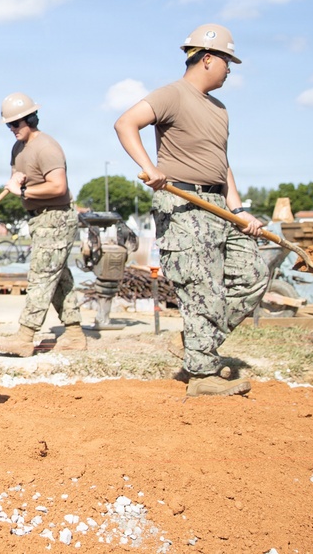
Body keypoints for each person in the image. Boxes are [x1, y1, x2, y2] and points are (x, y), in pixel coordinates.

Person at [114, 24, 268, 397]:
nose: (230, 69)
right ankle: (202, 375)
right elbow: (125, 123)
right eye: (227, 61)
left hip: (219, 204)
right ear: (208, 59)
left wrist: (240, 208)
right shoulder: (172, 94)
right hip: (183, 202)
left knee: (253, 276)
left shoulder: (220, 109)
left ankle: (197, 342)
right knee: (201, 286)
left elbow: (222, 163)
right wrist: (150, 167)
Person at [0, 92, 85, 357]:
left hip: (56, 218)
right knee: (59, 279)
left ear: (30, 119)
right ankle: (75, 333)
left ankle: (25, 336)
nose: (11, 129)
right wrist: (16, 182)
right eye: (8, 125)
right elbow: (17, 178)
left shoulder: (47, 147)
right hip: (38, 220)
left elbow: (58, 186)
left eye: (15, 124)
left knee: (41, 277)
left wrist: (22, 192)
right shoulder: (18, 148)